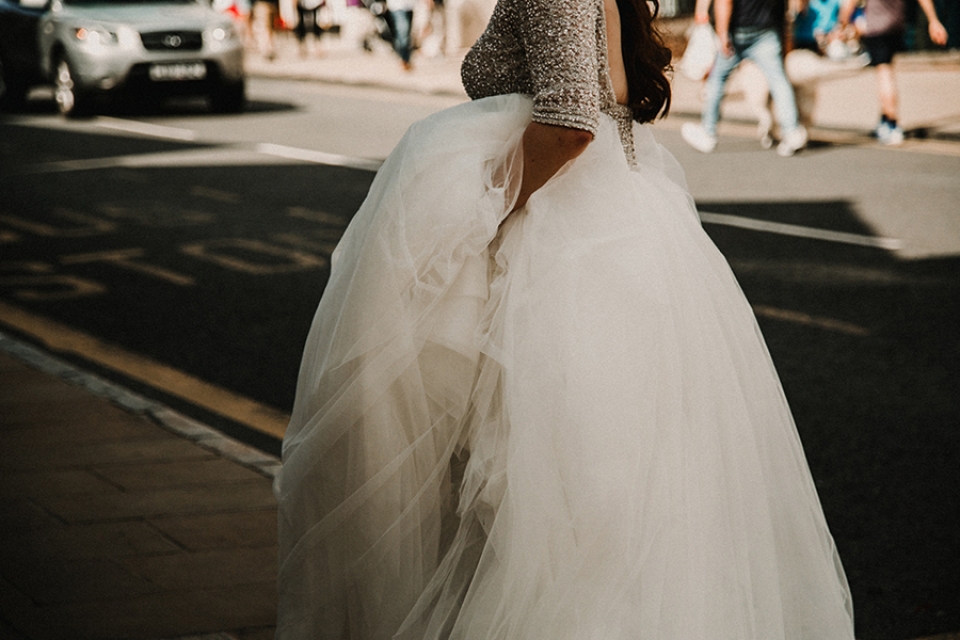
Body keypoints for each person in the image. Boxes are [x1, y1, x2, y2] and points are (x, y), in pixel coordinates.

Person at [274, 0, 857, 637]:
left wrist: (479, 211)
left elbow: (571, 120)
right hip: (625, 236)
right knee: (620, 496)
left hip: (565, 250)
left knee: (563, 504)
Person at [681, 0, 809, 155]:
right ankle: (791, 132)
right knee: (778, 80)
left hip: (737, 32)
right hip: (766, 31)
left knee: (717, 79)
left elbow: (725, 2)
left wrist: (722, 33)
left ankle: (708, 132)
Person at [837, 0, 947, 145]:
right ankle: (884, 118)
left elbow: (849, 4)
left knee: (884, 74)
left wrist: (842, 25)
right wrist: (933, 20)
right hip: (896, 27)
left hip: (876, 29)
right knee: (888, 70)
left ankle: (891, 123)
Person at [386, 0, 418, 69]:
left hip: (410, 5)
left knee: (406, 32)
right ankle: (403, 58)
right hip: (397, 6)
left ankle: (404, 57)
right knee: (403, 30)